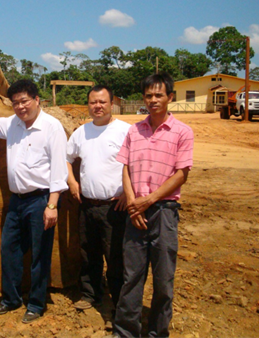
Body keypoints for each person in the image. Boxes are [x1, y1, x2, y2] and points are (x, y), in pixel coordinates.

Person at [0, 78, 68, 324]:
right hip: (17, 201)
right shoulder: (13, 124)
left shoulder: (52, 127)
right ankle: (10, 300)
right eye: (16, 103)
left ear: (37, 100)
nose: (20, 107)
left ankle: (36, 304)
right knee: (10, 250)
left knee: (40, 254)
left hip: (41, 199)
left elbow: (58, 171)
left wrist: (52, 205)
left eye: (24, 101)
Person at [113, 73, 194, 338]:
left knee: (163, 279)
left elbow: (181, 174)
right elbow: (125, 167)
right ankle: (126, 331)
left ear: (170, 97)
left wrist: (147, 200)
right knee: (132, 276)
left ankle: (158, 332)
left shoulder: (182, 132)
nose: (153, 100)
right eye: (148, 95)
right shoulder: (134, 130)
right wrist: (133, 203)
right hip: (135, 212)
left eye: (159, 95)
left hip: (164, 213)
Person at [66, 85, 130, 330]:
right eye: (93, 102)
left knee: (115, 256)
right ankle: (90, 294)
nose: (98, 106)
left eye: (102, 102)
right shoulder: (81, 133)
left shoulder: (125, 131)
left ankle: (120, 302)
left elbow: (136, 162)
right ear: (88, 105)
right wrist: (72, 181)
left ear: (112, 103)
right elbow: (67, 158)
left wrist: (128, 191)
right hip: (86, 204)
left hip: (115, 207)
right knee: (87, 252)